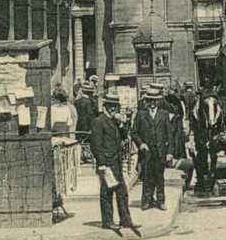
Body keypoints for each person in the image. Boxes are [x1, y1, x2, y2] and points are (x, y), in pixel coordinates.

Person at [90, 94, 135, 231]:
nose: (114, 109)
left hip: (116, 162)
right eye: (111, 106)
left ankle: (125, 219)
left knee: (122, 191)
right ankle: (108, 221)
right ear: (105, 107)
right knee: (107, 192)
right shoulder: (99, 121)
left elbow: (124, 137)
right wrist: (101, 163)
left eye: (115, 106)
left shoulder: (115, 122)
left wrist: (121, 124)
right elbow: (95, 144)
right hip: (107, 163)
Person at [132, 85, 174, 210]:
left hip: (160, 151)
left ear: (158, 101)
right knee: (147, 176)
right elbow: (134, 132)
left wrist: (170, 152)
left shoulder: (164, 114)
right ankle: (146, 200)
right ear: (146, 101)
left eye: (154, 101)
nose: (152, 103)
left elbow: (169, 135)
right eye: (149, 100)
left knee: (159, 177)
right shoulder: (141, 114)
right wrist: (141, 144)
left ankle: (161, 201)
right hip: (147, 152)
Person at [74, 82, 99, 162]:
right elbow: (90, 115)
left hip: (78, 124)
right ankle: (87, 156)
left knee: (79, 140)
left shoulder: (76, 102)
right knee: (88, 141)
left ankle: (80, 156)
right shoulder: (90, 102)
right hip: (87, 125)